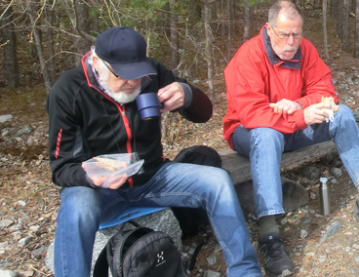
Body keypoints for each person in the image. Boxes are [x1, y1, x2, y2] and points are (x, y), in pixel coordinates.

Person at [47, 27, 263, 277]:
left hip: (152, 177)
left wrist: (188, 94)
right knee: (77, 206)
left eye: (137, 74)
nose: (132, 82)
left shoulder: (153, 73)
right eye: (122, 75)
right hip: (100, 191)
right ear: (97, 63)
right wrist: (89, 177)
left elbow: (204, 115)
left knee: (217, 181)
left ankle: (246, 271)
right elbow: (61, 168)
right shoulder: (68, 91)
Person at [225, 0, 359, 276]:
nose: (291, 42)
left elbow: (327, 92)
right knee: (266, 135)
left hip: (292, 126)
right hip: (248, 131)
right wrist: (300, 117)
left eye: (296, 34)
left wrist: (300, 105)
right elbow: (252, 113)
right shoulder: (248, 56)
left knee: (343, 114)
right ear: (268, 29)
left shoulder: (305, 50)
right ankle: (270, 233)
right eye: (284, 34)